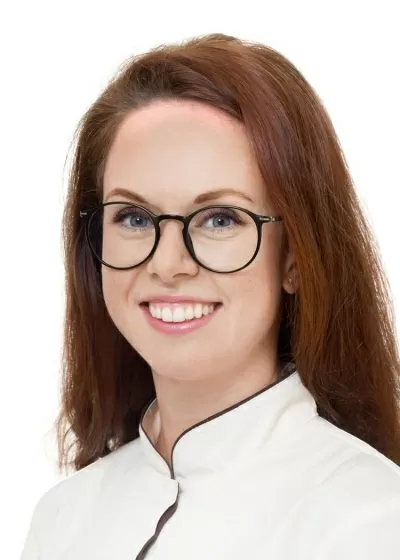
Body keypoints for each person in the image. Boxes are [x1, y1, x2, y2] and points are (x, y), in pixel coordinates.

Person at [21, 33, 400, 560]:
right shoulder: (62, 520)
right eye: (134, 217)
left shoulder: (372, 523)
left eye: (220, 219)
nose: (168, 264)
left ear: (295, 258)